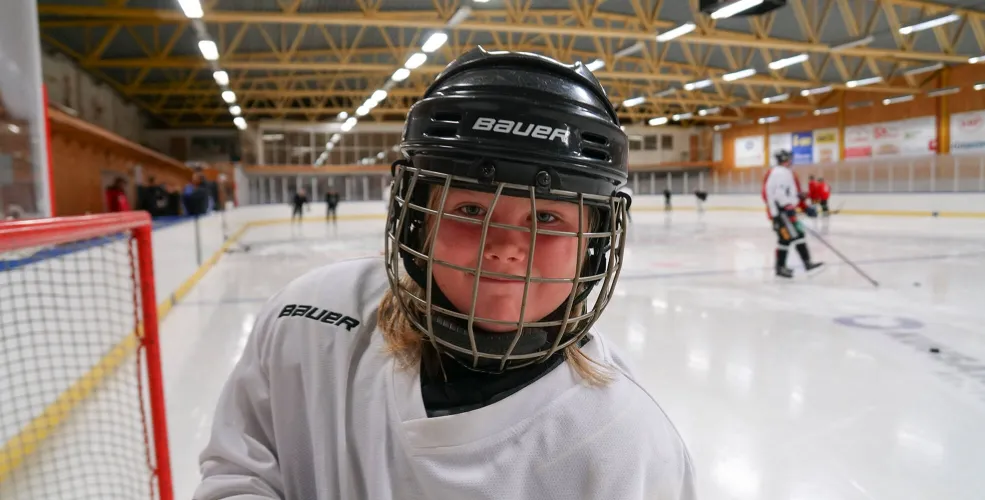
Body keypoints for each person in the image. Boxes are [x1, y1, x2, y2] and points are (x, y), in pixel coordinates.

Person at [195, 47, 695, 500]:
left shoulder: (630, 447)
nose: (506, 249)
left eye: (547, 218)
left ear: (594, 245)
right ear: (418, 221)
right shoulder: (307, 321)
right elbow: (241, 473)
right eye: (471, 211)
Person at [762, 150, 822, 279]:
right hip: (782, 213)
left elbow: (787, 193)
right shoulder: (781, 172)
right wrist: (787, 206)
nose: (791, 161)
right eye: (789, 158)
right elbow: (779, 194)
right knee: (792, 236)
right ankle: (799, 265)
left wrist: (802, 204)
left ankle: (787, 266)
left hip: (781, 211)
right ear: (785, 159)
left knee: (791, 237)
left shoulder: (780, 172)